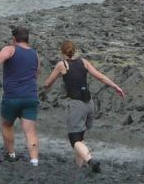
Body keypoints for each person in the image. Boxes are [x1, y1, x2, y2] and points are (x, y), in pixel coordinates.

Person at [42, 40, 125, 171]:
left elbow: (48, 83)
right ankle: (79, 167)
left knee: (74, 140)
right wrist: (115, 86)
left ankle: (91, 161)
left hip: (76, 105)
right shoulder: (84, 62)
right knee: (80, 137)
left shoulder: (62, 64)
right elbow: (100, 77)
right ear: (74, 50)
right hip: (89, 104)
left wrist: (43, 87)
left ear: (62, 52)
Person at [0, 26, 40, 166]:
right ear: (27, 38)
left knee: (7, 125)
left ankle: (11, 155)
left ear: (14, 39)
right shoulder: (35, 54)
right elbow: (36, 74)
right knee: (30, 131)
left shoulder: (10, 49)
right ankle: (34, 161)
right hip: (30, 97)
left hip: (12, 97)